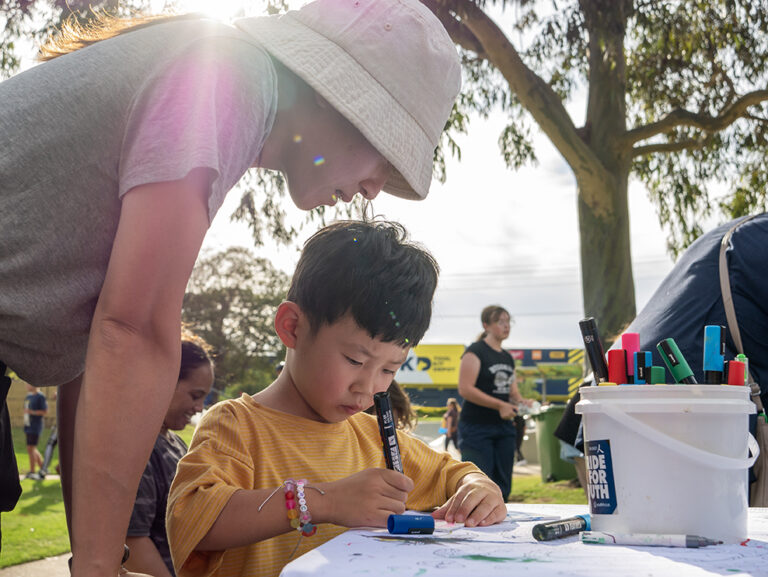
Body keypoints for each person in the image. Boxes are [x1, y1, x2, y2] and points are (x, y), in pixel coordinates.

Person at [0, 0, 462, 573]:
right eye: (385, 155)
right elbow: (134, 329)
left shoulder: (224, 76)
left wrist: (96, 559)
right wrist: (94, 566)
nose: (374, 188)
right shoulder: (228, 80)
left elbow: (97, 351)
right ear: (333, 92)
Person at [166, 220, 506, 577]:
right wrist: (323, 501)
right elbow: (191, 517)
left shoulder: (373, 436)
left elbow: (454, 472)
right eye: (355, 360)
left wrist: (477, 487)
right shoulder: (236, 425)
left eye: (389, 370)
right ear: (292, 327)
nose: (369, 387)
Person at [554, 213, 768, 501]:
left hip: (608, 406)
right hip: (676, 411)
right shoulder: (751, 237)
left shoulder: (740, 232)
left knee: (630, 523)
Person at [124, 334, 214, 577]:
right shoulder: (138, 446)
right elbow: (133, 542)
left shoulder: (174, 442)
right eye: (195, 396)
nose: (199, 408)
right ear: (164, 379)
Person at [457, 306, 532, 501]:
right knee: (479, 485)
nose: (506, 326)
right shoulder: (475, 351)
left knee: (502, 487)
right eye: (500, 322)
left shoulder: (507, 357)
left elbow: (512, 392)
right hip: (476, 427)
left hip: (504, 428)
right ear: (486, 325)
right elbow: (465, 388)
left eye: (508, 321)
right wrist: (499, 406)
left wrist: (523, 401)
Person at [23, 384, 48, 478]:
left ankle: (32, 471)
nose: (26, 385)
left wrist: (31, 412)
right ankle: (43, 468)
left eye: (28, 383)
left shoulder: (40, 396)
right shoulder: (28, 396)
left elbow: (45, 411)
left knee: (31, 448)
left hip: (35, 426)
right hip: (28, 425)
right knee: (31, 448)